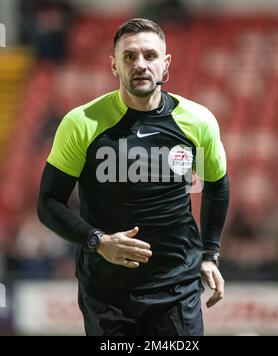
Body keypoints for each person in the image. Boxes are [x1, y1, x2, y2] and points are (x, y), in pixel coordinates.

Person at [37, 18, 230, 336]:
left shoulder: (198, 121)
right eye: (129, 56)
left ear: (166, 63)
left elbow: (217, 188)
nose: (140, 64)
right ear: (114, 65)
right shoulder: (82, 123)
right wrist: (98, 242)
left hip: (176, 287)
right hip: (106, 292)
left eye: (150, 55)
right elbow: (47, 202)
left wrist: (210, 255)